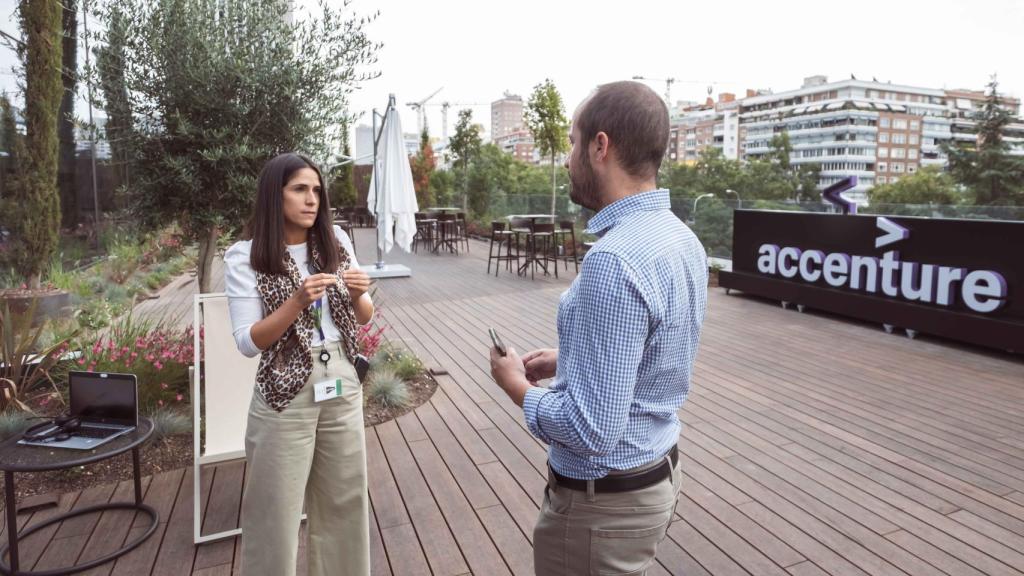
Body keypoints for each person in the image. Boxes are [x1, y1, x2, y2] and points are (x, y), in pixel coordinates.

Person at [490, 81, 708, 575]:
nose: (568, 157)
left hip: (601, 509)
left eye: (572, 142)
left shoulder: (613, 260)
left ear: (600, 146)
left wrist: (517, 387)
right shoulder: (682, 239)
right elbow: (656, 355)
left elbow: (590, 430)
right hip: (656, 475)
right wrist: (570, 360)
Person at [224, 152, 374, 576]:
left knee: (346, 502)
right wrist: (296, 301)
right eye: (299, 190)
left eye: (316, 190)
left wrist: (361, 292)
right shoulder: (245, 256)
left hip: (343, 378)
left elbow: (363, 316)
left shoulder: (336, 241)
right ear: (276, 195)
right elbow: (248, 342)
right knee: (275, 512)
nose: (312, 200)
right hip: (284, 392)